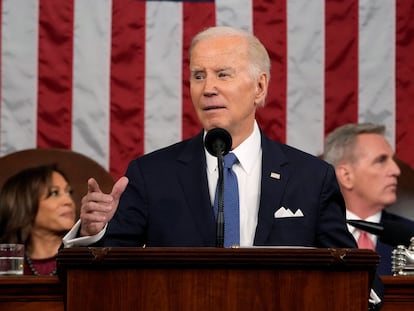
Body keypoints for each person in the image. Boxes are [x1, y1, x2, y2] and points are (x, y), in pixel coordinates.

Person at [63, 26, 382, 308]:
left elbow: (356, 276)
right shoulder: (151, 174)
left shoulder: (311, 177)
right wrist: (93, 234)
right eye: (198, 76)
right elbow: (98, 280)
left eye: (223, 74)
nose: (208, 88)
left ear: (259, 87)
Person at [324, 123, 414, 275]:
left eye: (392, 160)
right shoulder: (310, 237)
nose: (396, 170)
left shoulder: (411, 235)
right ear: (346, 176)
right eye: (381, 160)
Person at [0, 164, 76, 275]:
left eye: (69, 192)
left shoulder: (83, 257)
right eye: (54, 193)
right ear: (25, 204)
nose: (69, 201)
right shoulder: (7, 263)